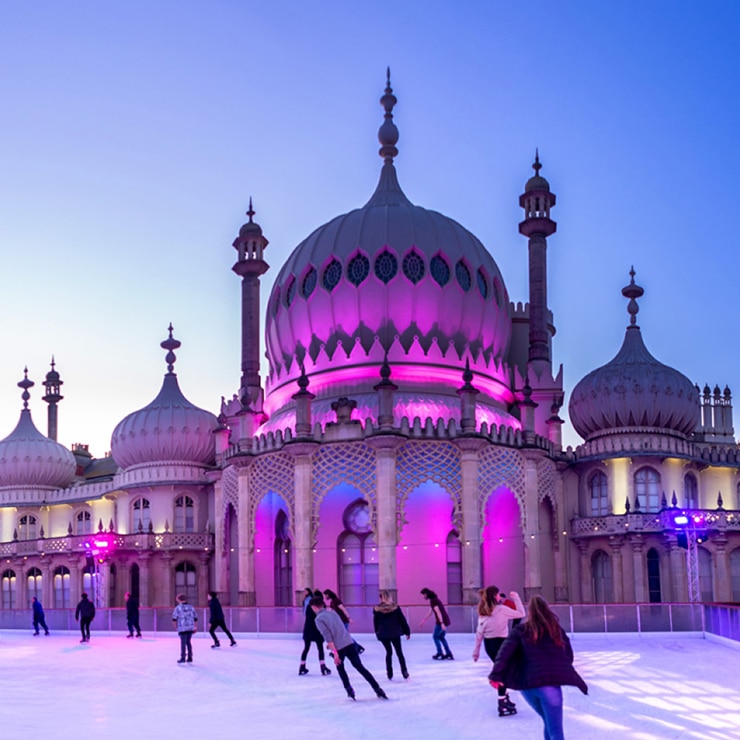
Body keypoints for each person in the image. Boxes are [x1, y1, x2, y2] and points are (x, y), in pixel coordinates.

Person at [489, 595, 588, 740]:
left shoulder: (520, 630)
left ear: (530, 612)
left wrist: (495, 675)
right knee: (556, 732)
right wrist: (557, 667)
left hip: (527, 686)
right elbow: (569, 656)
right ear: (547, 610)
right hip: (550, 688)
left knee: (549, 725)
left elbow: (504, 654)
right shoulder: (555, 630)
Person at [311, 596, 387, 701]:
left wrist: (335, 653)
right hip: (349, 643)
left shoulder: (318, 619)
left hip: (339, 648)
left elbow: (327, 636)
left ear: (314, 607)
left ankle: (349, 690)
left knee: (341, 669)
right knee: (360, 668)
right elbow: (340, 629)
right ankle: (377, 688)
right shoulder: (333, 613)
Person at [472, 586, 525, 716]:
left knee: (503, 671)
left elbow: (479, 634)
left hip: (489, 645)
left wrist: (476, 650)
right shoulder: (501, 610)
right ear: (495, 596)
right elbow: (521, 614)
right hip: (501, 644)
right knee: (504, 673)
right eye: (498, 595)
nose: (500, 597)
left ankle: (505, 697)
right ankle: (502, 702)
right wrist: (516, 598)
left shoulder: (483, 612)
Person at [373, 590, 411, 680]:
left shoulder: (377, 609)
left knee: (388, 652)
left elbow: (375, 622)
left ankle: (389, 672)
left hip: (383, 634)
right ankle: (404, 671)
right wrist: (407, 631)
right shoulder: (395, 607)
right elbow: (402, 620)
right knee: (399, 652)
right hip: (395, 633)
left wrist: (377, 633)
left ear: (382, 598)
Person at [299, 590, 331, 676]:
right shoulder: (321, 606)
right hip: (318, 629)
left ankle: (302, 666)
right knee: (320, 649)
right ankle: (323, 667)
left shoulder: (309, 606)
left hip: (308, 629)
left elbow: (306, 615)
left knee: (306, 648)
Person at [323, 588, 364, 653]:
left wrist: (348, 618)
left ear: (328, 595)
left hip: (343, 621)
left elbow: (343, 609)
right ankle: (356, 647)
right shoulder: (332, 602)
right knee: (344, 636)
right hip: (339, 621)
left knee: (344, 636)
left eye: (325, 595)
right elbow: (331, 612)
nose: (324, 597)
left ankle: (356, 648)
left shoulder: (336, 601)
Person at [419, 587, 453, 659]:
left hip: (441, 621)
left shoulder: (433, 601)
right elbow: (430, 612)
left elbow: (438, 612)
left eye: (424, 595)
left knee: (435, 636)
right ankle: (448, 653)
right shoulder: (434, 600)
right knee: (441, 637)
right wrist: (423, 621)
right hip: (445, 620)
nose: (423, 596)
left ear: (427, 594)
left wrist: (441, 623)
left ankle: (440, 653)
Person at [172, 593, 198, 664]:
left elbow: (174, 618)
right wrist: (195, 627)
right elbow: (195, 618)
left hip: (182, 627)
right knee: (188, 642)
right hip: (190, 627)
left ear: (179, 599)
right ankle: (190, 657)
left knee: (183, 643)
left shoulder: (178, 608)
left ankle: (183, 657)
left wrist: (176, 627)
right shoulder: (191, 607)